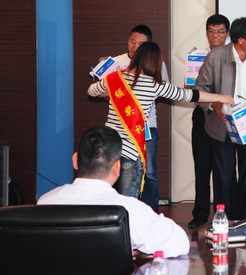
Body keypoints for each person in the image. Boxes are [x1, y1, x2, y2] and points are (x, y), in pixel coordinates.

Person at [88, 41, 235, 198]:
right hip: (132, 151)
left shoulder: (114, 79)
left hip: (109, 150)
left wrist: (110, 90)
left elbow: (91, 91)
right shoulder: (154, 85)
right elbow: (190, 95)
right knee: (128, 200)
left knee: (106, 197)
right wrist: (222, 97)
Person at [38, 126, 190, 257]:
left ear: (75, 160)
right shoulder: (129, 210)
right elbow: (180, 243)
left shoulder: (46, 202)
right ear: (117, 167)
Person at [195, 17, 246, 220]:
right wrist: (214, 105)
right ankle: (225, 219)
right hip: (223, 124)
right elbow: (200, 88)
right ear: (241, 40)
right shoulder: (216, 57)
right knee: (224, 176)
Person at [107, 24, 169, 210]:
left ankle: (150, 212)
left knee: (149, 173)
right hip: (119, 129)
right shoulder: (115, 63)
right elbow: (98, 90)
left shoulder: (157, 64)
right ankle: (119, 211)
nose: (135, 47)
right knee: (116, 170)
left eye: (141, 44)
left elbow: (163, 90)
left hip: (146, 128)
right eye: (132, 41)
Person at [189, 14, 231, 228]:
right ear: (207, 33)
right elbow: (193, 90)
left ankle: (223, 213)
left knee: (224, 170)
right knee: (202, 167)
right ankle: (201, 213)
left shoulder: (233, 57)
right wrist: (190, 86)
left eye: (220, 32)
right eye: (212, 31)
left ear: (227, 34)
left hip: (224, 118)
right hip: (202, 116)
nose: (216, 36)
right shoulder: (197, 57)